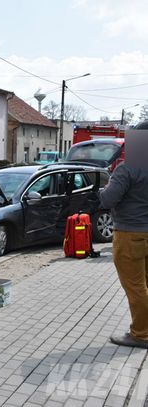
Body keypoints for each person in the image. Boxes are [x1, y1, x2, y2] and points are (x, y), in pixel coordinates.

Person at [99, 120, 148, 349]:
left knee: (135, 287)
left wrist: (102, 190)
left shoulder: (127, 168)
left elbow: (109, 199)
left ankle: (141, 334)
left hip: (131, 234)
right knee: (145, 285)